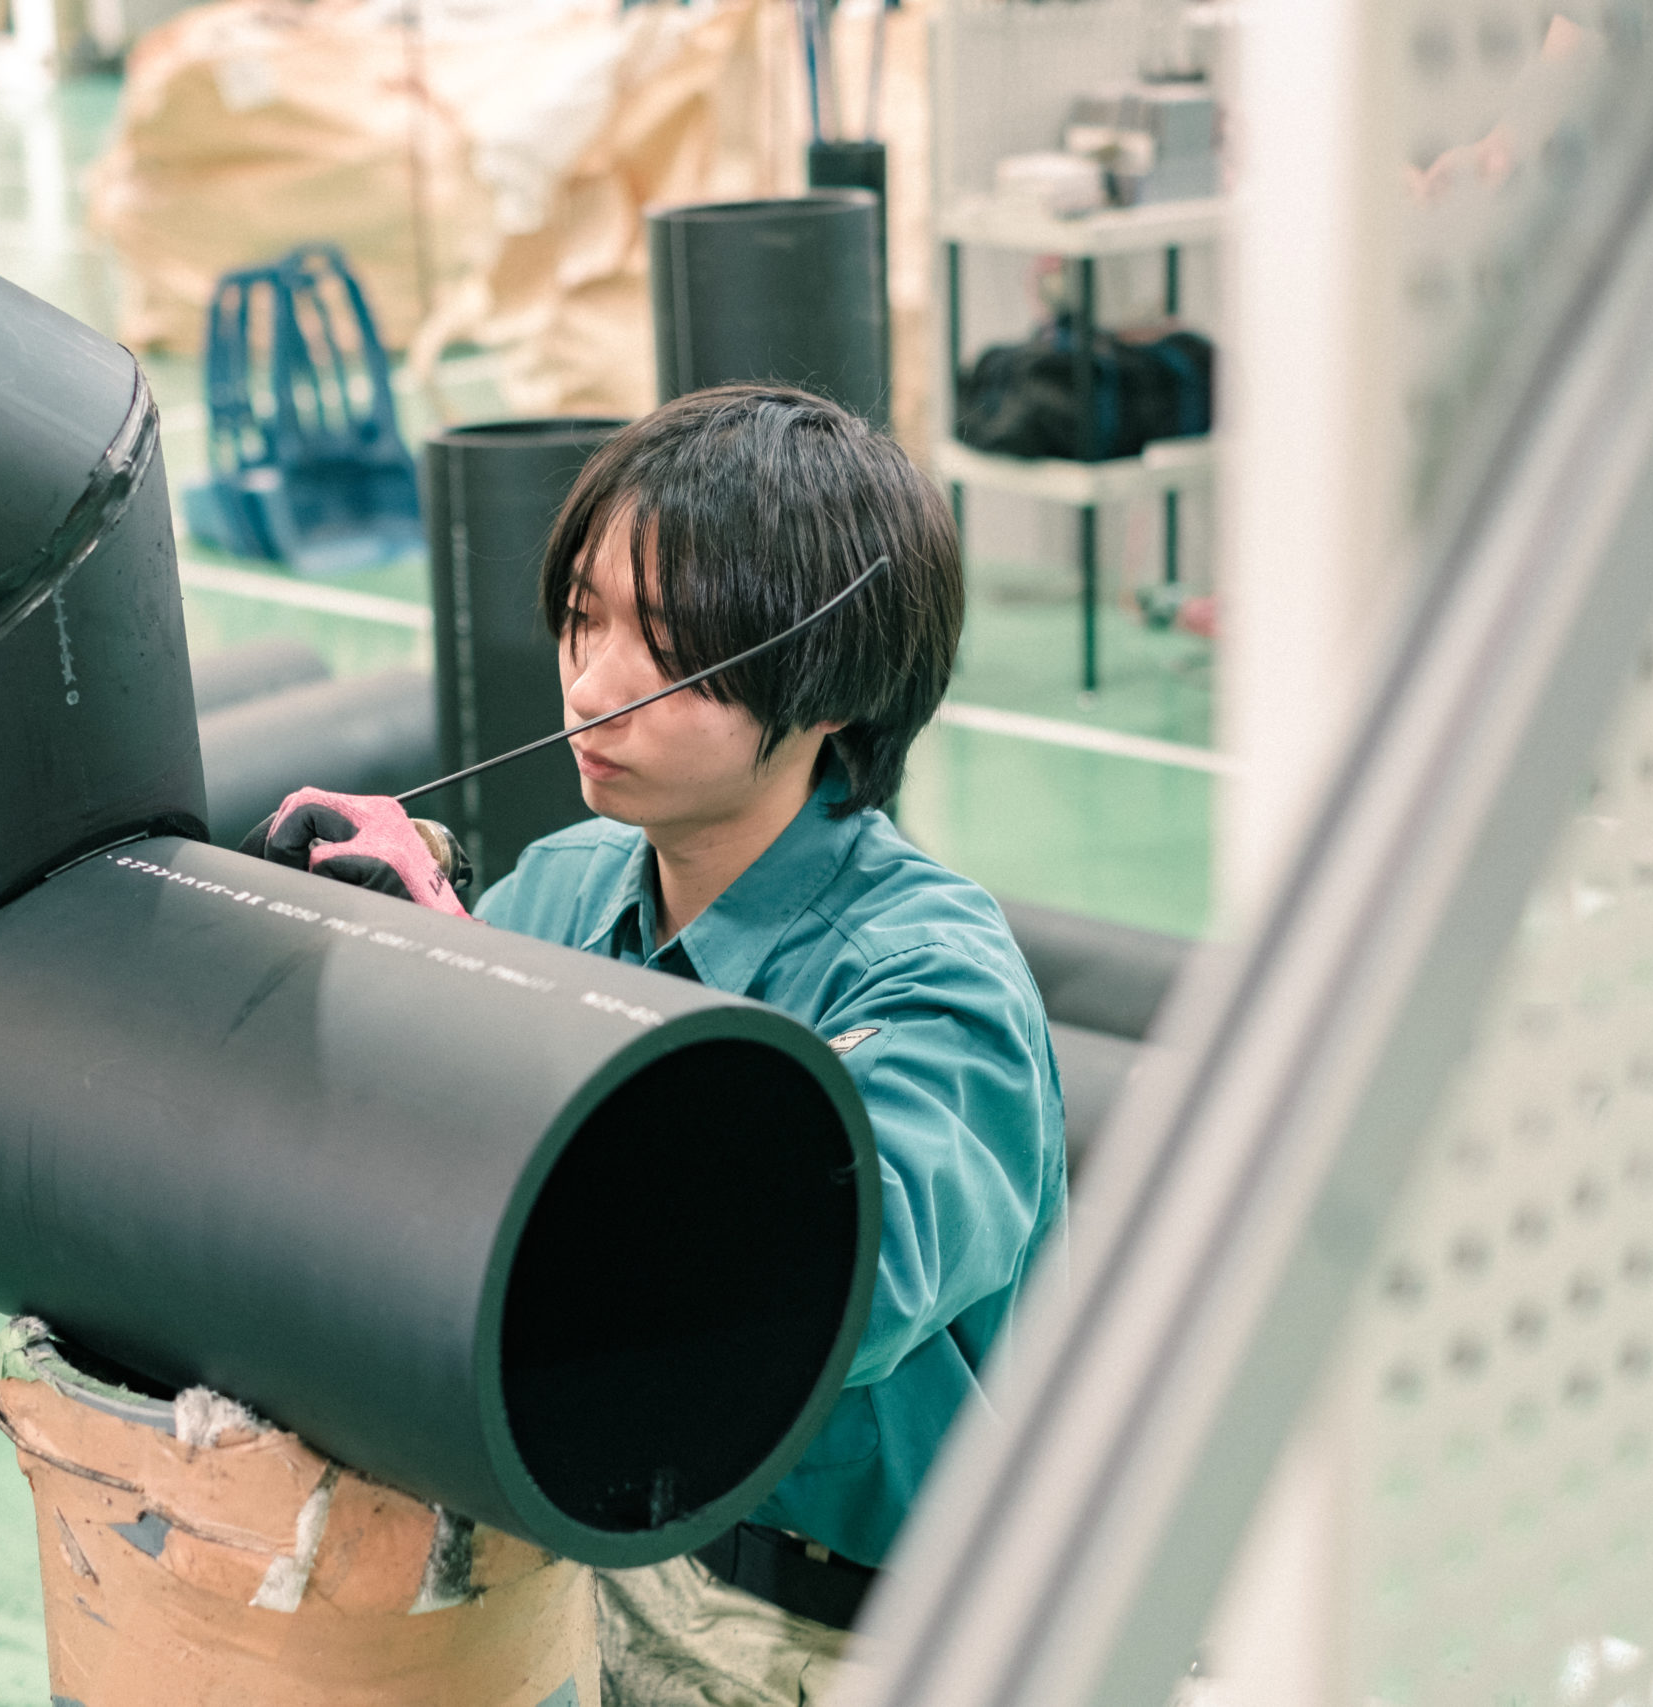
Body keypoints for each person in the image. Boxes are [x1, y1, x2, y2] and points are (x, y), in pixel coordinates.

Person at [247, 384, 1067, 1706]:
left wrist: (461, 987)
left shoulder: (930, 981)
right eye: (584, 619)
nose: (593, 686)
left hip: (862, 1638)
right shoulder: (571, 885)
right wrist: (378, 962)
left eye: (671, 646)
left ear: (832, 686)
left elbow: (798, 1308)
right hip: (601, 1559)